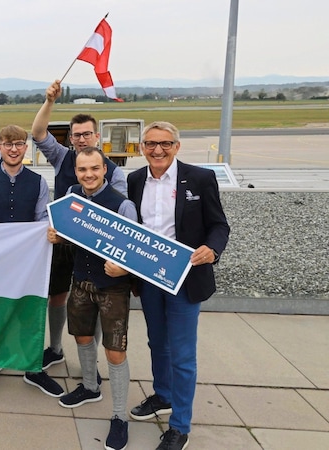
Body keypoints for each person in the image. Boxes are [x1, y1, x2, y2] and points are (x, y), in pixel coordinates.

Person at [127, 121, 230, 450]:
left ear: (177, 146)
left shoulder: (200, 178)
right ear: (142, 147)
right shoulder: (135, 180)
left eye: (165, 143)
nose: (157, 150)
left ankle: (180, 426)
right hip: (150, 277)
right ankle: (163, 394)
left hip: (185, 278)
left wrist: (212, 249)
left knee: (183, 354)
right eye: (150, 144)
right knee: (157, 342)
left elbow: (219, 225)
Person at [0, 125, 64, 403]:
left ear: (26, 147)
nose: (14, 149)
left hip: (25, 263)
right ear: (0, 147)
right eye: (8, 144)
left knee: (28, 315)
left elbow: (41, 221)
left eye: (19, 144)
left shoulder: (38, 182)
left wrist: (49, 233)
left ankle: (32, 367)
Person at [31, 80, 127, 371]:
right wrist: (49, 101)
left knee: (93, 303)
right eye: (77, 135)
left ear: (97, 136)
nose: (82, 139)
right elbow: (37, 133)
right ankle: (56, 348)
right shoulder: (62, 158)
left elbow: (120, 216)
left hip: (95, 247)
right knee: (58, 295)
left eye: (87, 134)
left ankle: (91, 361)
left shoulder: (114, 172)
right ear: (70, 138)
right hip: (63, 242)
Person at [49, 147, 136, 450]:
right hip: (80, 282)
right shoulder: (71, 196)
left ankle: (119, 416)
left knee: (115, 352)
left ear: (105, 170)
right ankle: (89, 386)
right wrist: (56, 236)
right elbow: (65, 230)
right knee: (83, 338)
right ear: (76, 171)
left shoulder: (122, 205)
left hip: (113, 289)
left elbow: (135, 248)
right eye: (83, 169)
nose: (88, 175)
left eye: (94, 169)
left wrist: (123, 265)